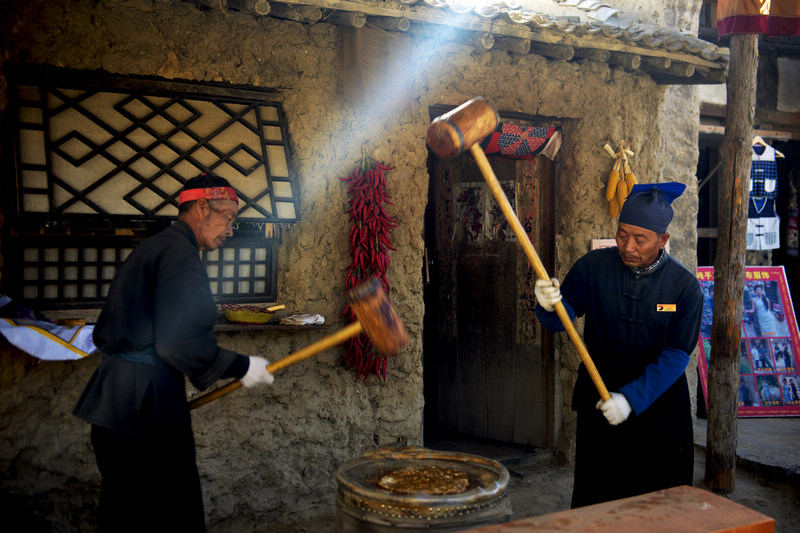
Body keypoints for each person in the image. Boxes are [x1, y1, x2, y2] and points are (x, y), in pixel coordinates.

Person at [73, 174, 275, 532]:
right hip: (145, 410)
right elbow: (178, 341)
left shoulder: (156, 248)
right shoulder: (179, 255)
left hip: (118, 402)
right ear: (200, 207)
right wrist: (242, 365)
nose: (231, 229)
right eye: (228, 217)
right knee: (169, 515)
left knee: (124, 514)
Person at [534, 182, 703, 508]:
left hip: (658, 403)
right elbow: (561, 321)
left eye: (640, 239)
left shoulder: (685, 287)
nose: (628, 246)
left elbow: (675, 356)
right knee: (598, 492)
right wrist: (548, 304)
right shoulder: (593, 267)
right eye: (622, 234)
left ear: (662, 240)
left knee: (656, 500)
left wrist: (631, 399)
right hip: (601, 392)